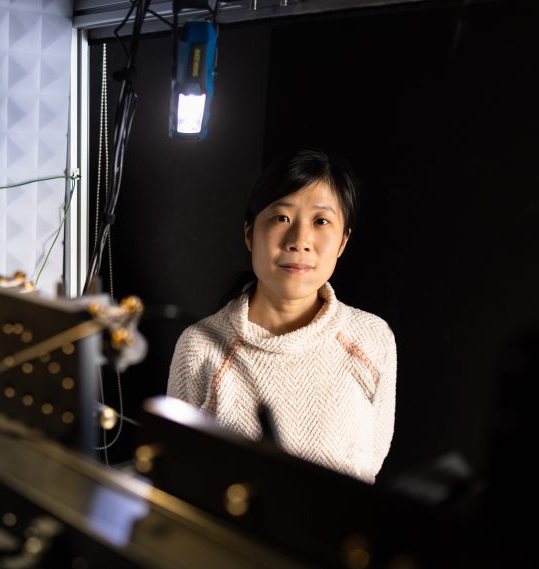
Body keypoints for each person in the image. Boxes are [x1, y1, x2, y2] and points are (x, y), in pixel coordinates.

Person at [166, 148, 396, 484]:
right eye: (281, 218)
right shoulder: (200, 346)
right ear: (249, 233)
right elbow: (180, 467)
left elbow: (369, 465)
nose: (299, 240)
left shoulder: (372, 338)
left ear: (343, 241)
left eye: (321, 221)